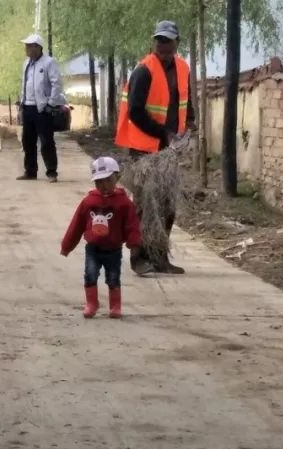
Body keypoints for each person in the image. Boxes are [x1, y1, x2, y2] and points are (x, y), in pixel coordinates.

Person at [114, 20, 196, 274]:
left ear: (176, 43)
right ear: (154, 42)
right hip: (144, 150)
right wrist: (164, 134)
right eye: (159, 40)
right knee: (144, 205)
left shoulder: (183, 68)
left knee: (167, 206)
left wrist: (190, 124)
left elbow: (186, 100)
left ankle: (160, 258)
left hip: (168, 150)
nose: (163, 45)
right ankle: (139, 259)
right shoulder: (143, 70)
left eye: (168, 40)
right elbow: (136, 112)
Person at [60, 156, 142, 319]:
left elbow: (132, 224)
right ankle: (92, 303)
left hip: (113, 249)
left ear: (117, 178)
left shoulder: (124, 203)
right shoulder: (89, 202)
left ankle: (115, 306)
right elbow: (76, 225)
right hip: (93, 248)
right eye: (99, 182)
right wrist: (67, 246)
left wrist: (134, 242)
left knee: (113, 277)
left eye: (107, 180)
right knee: (90, 274)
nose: (103, 185)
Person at [18, 33, 64, 182]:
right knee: (28, 141)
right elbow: (24, 85)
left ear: (37, 47)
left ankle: (52, 172)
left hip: (43, 108)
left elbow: (57, 83)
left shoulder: (49, 62)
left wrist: (51, 103)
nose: (26, 49)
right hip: (28, 107)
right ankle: (30, 171)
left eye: (29, 46)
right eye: (26, 46)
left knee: (46, 141)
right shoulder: (26, 63)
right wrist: (21, 103)